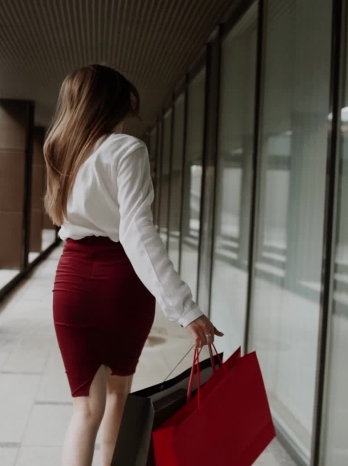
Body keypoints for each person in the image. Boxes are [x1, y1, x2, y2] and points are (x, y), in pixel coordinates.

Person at [44, 64, 223, 466]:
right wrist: (184, 307)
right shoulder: (127, 150)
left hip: (71, 281)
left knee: (84, 411)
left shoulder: (60, 149)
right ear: (115, 106)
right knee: (118, 397)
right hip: (120, 283)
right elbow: (137, 231)